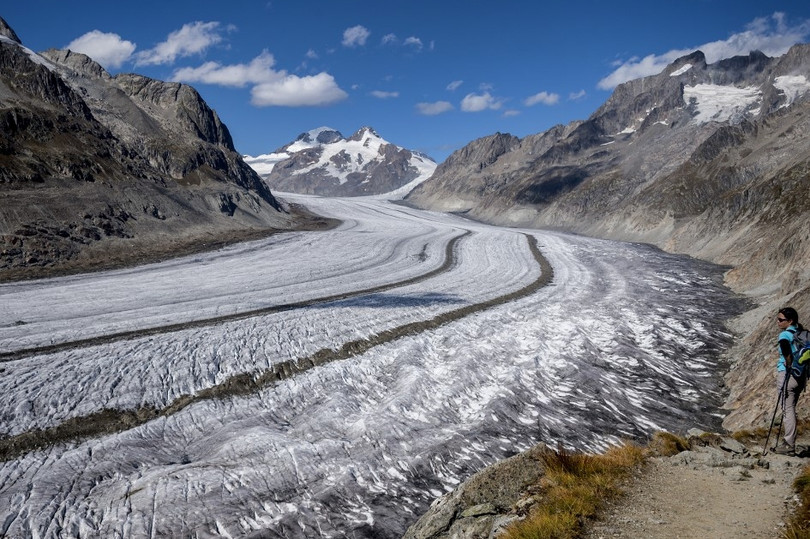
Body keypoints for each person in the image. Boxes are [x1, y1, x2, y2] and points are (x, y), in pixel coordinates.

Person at [774, 307, 805, 455]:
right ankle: (789, 441)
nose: (778, 322)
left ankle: (789, 444)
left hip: (788, 375)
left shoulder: (784, 335)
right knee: (791, 407)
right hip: (801, 376)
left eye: (781, 320)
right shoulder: (801, 332)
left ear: (790, 321)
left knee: (787, 409)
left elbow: (787, 354)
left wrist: (788, 367)